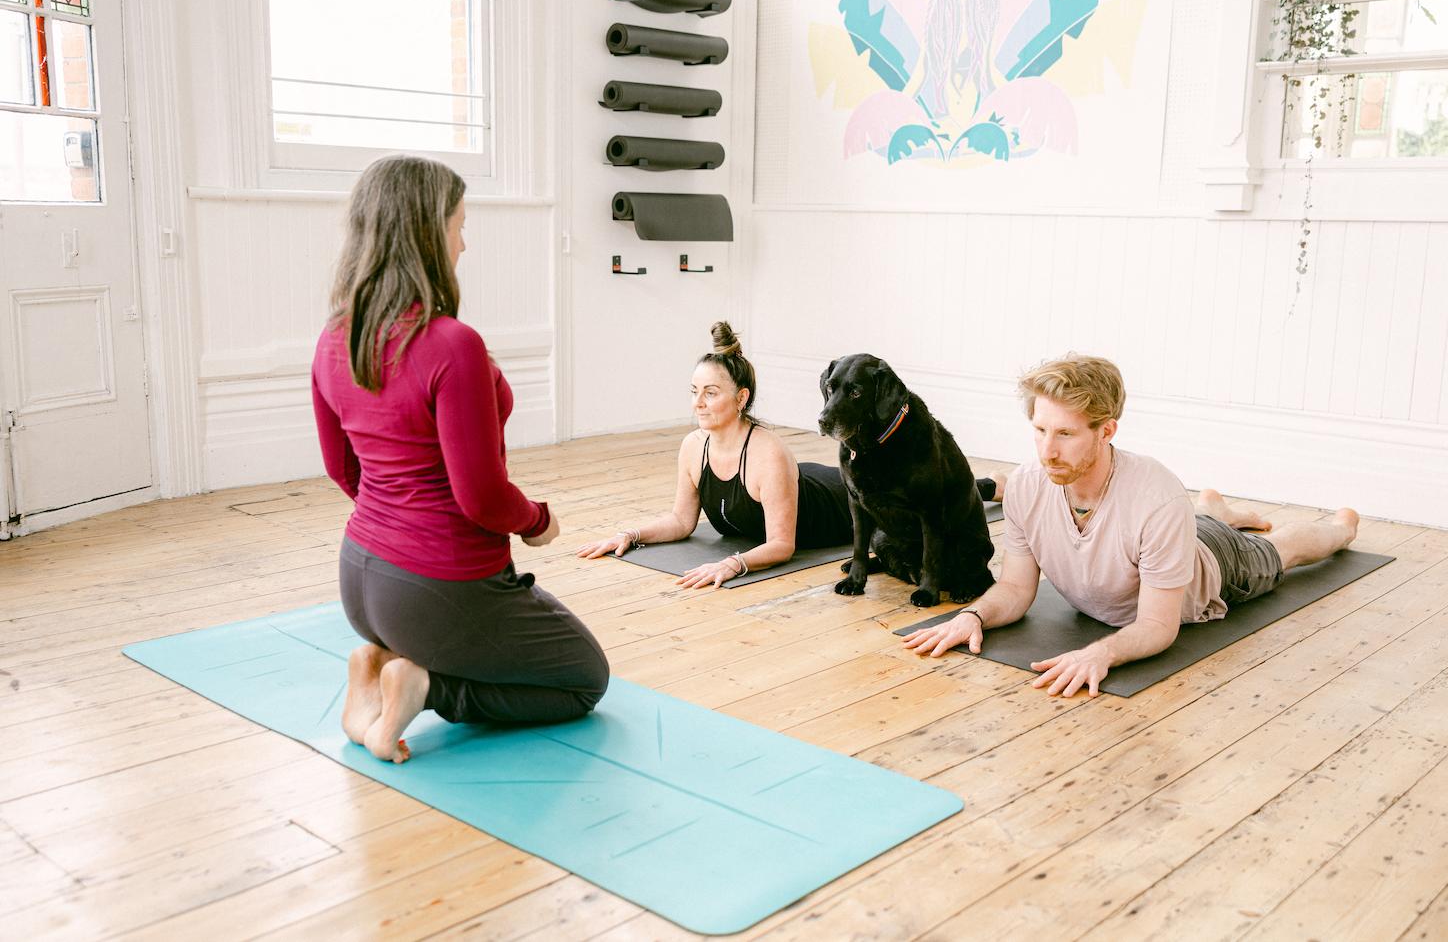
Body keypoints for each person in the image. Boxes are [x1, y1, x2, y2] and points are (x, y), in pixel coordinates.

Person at [311, 155, 608, 764]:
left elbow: (343, 470)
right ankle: (424, 684)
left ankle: (377, 657)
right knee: (584, 679)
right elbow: (482, 497)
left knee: (532, 619)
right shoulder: (451, 344)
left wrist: (397, 523)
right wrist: (538, 521)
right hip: (433, 590)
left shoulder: (334, 337)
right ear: (425, 232)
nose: (464, 242)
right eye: (458, 224)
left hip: (360, 577)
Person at [902, 354, 1359, 698]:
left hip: (1214, 561)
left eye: (1065, 434)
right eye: (1040, 430)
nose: (1048, 451)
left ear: (1107, 431)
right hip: (1167, 533)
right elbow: (1018, 589)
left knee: (1279, 551)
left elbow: (1159, 625)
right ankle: (1215, 508)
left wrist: (1102, 652)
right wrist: (972, 614)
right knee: (1193, 519)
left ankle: (1339, 527)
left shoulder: (1157, 497)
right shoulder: (1025, 484)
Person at [576, 322, 1005, 588]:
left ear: (741, 398)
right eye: (695, 392)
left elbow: (782, 544)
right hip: (806, 480)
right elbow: (680, 521)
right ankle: (987, 485)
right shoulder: (693, 447)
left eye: (711, 393)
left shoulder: (766, 453)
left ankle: (985, 486)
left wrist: (733, 564)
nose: (699, 403)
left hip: (832, 502)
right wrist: (630, 537)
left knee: (912, 495)